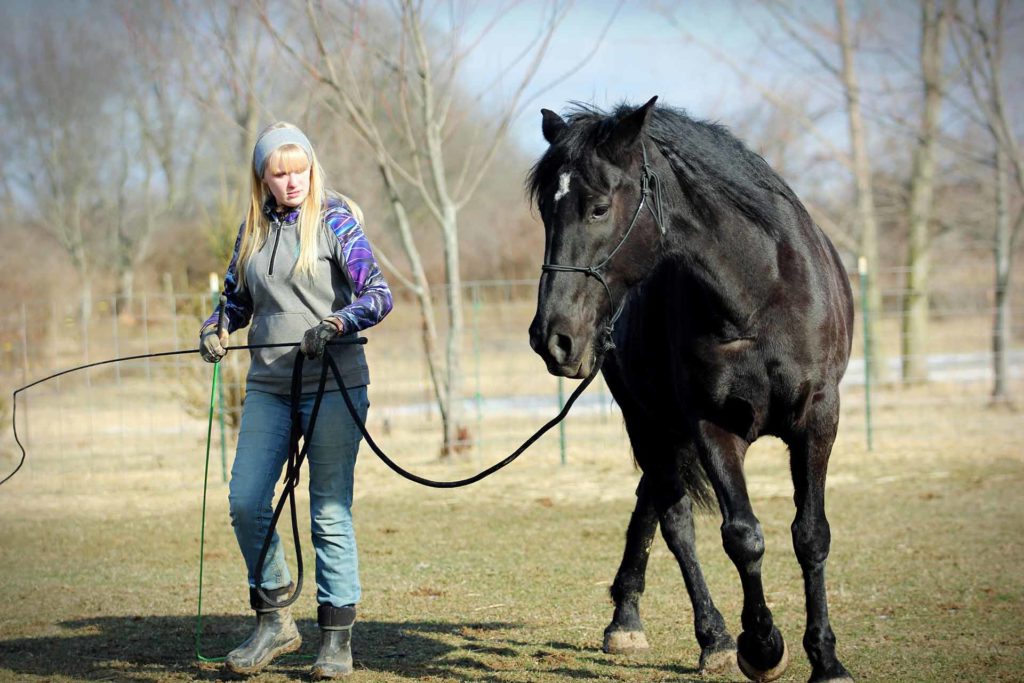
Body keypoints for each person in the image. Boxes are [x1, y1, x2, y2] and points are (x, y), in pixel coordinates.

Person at [198, 122, 392, 679]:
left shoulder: (335, 221)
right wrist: (216, 328)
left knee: (329, 510)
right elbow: (233, 302)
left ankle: (335, 639)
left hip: (335, 381)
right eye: (279, 173)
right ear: (262, 177)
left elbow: (379, 295)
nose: (291, 182)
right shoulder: (252, 231)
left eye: (299, 170)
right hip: (267, 387)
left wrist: (336, 322)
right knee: (246, 500)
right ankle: (275, 618)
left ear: (312, 168)